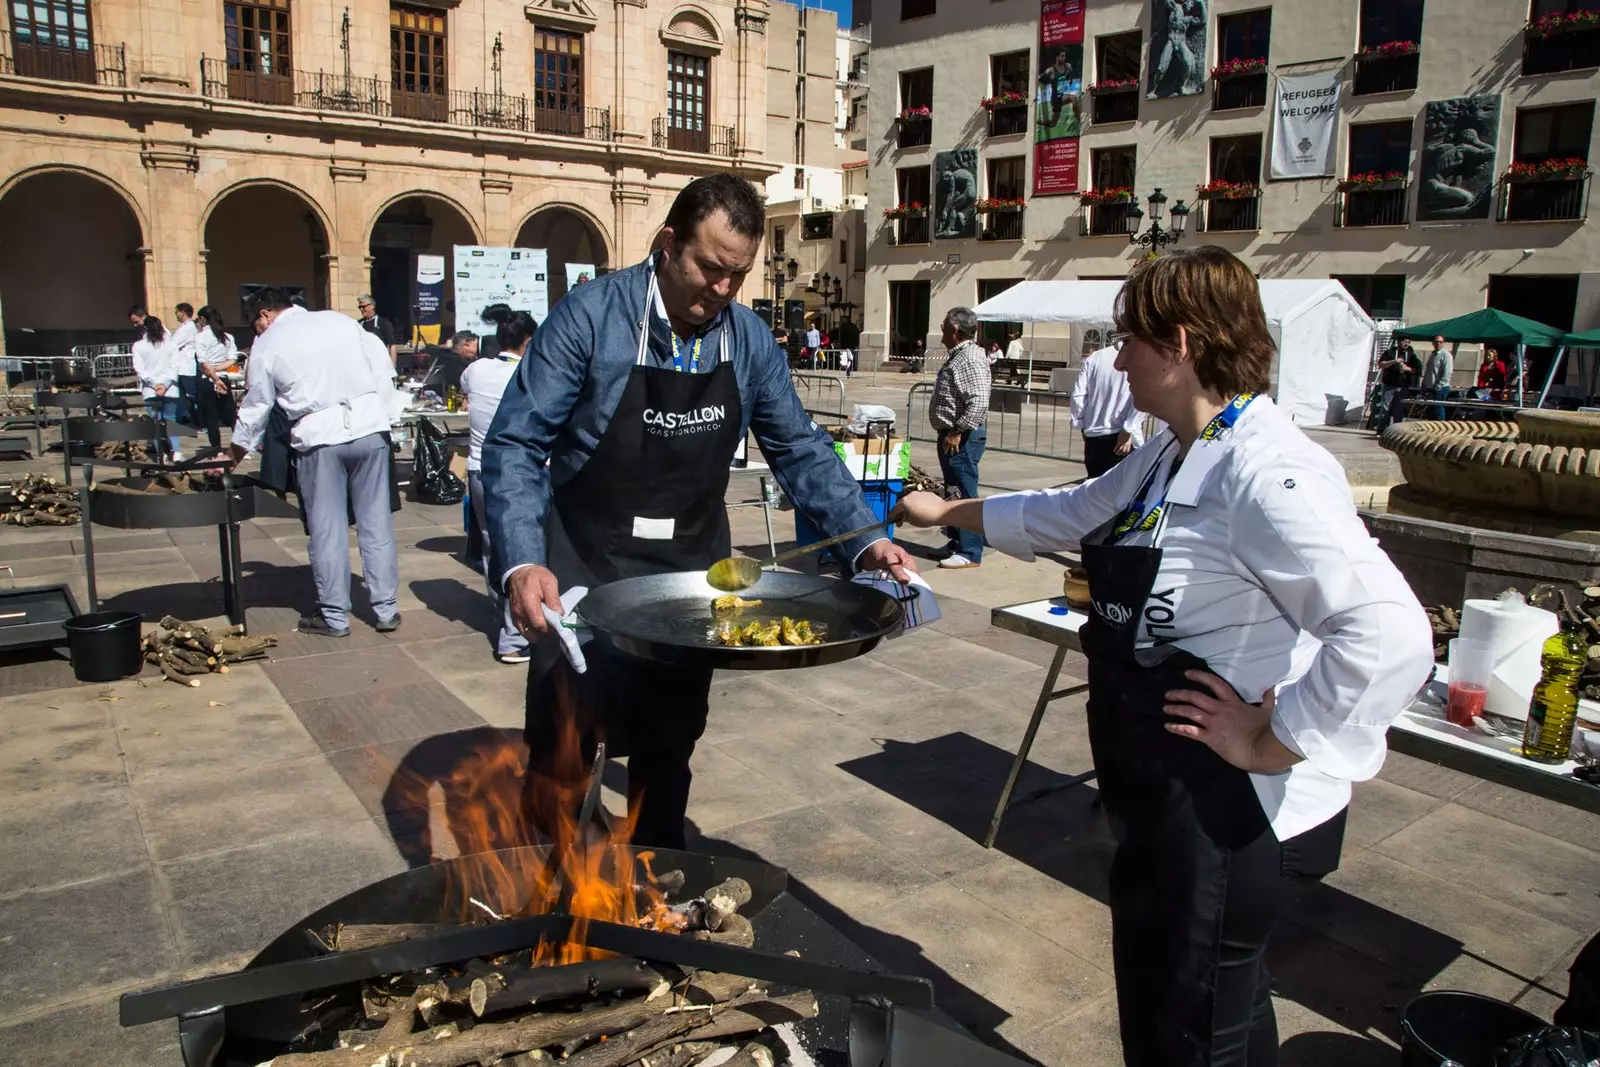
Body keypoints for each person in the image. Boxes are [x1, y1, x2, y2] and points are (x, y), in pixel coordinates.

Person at [893, 246, 1433, 1067]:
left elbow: (1390, 633)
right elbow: (1070, 512)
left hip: (1223, 814)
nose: (1116, 359)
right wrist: (946, 512)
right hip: (1161, 804)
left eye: (1126, 339)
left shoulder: (1266, 469)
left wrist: (1272, 736)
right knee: (1208, 1020)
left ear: (1178, 344)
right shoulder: (1173, 449)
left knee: (1189, 1037)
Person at [481, 173, 915, 850]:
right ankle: (553, 888)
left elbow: (798, 446)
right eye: (710, 268)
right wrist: (520, 559)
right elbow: (515, 440)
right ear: (667, 244)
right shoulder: (591, 317)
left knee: (669, 738)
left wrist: (863, 539)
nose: (721, 290)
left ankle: (656, 880)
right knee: (564, 738)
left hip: (689, 569)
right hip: (583, 559)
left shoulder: (746, 339)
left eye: (737, 275)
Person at [232, 288, 401, 638]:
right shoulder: (340, 322)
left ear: (265, 315)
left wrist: (236, 452)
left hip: (318, 436)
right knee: (375, 523)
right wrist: (382, 419)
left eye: (256, 324)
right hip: (370, 429)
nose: (257, 331)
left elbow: (258, 402)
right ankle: (386, 609)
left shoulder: (270, 341)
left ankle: (335, 616)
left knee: (327, 529)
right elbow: (383, 369)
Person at [462, 311, 536, 665]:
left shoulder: (475, 370)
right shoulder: (530, 373)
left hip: (478, 470)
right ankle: (514, 635)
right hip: (519, 475)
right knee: (523, 552)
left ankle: (504, 617)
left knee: (495, 549)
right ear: (529, 341)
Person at [928, 307, 990, 570]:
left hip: (961, 437)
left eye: (943, 325)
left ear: (954, 330)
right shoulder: (960, 355)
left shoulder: (970, 358)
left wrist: (957, 431)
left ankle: (970, 551)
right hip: (953, 434)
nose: (940, 330)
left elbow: (978, 401)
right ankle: (956, 542)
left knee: (964, 493)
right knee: (953, 492)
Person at [1071, 341, 1146, 478]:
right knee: (1120, 489)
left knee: (1095, 485)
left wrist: (1081, 423)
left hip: (1096, 432)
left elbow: (1078, 395)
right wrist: (1129, 428)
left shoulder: (1096, 357)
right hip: (1119, 434)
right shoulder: (1141, 356)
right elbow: (1144, 395)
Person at [132, 316, 183, 461]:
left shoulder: (139, 346)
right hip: (170, 388)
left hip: (150, 389)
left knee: (155, 422)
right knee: (171, 420)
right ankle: (176, 451)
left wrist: (155, 384)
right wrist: (164, 384)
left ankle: (162, 453)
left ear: (145, 328)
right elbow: (174, 367)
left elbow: (140, 370)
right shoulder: (171, 344)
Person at [192, 305, 239, 451]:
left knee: (211, 416)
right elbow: (232, 359)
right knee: (231, 415)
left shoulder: (200, 337)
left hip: (207, 380)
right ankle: (240, 445)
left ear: (202, 319)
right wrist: (218, 372)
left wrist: (214, 374)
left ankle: (216, 449)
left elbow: (203, 361)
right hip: (222, 377)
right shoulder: (227, 336)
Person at [357, 294, 398, 366]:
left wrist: (392, 366)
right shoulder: (358, 324)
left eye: (363, 306)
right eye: (359, 307)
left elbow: (392, 346)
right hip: (364, 364)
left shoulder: (383, 323)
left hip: (380, 364)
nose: (361, 309)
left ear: (372, 306)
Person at [1422, 334, 1454, 420]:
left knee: (1438, 412)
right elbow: (1428, 371)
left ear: (1444, 343)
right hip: (1430, 388)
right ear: (1433, 343)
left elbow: (1447, 372)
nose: (1438, 344)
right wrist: (1423, 384)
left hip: (1440, 389)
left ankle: (1440, 431)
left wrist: (1439, 386)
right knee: (1430, 412)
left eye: (1440, 342)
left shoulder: (1446, 355)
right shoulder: (1432, 355)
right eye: (1436, 342)